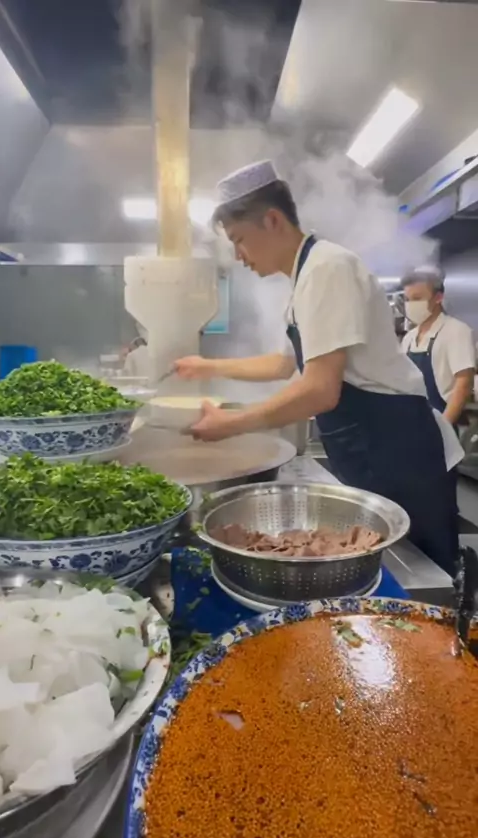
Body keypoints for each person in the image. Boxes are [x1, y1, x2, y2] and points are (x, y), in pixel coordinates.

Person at [175, 160, 462, 576]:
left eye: (239, 240)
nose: (238, 256)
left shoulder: (328, 268)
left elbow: (320, 390)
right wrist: (206, 366)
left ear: (272, 220)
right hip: (374, 448)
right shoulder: (305, 278)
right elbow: (282, 364)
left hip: (401, 451)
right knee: (387, 566)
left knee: (424, 573)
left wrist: (230, 424)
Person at [401, 266, 475, 425]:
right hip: (414, 422)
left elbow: (463, 384)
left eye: (417, 298)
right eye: (407, 299)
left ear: (438, 297)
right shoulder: (408, 338)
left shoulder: (456, 331)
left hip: (446, 421)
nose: (411, 304)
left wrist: (444, 428)